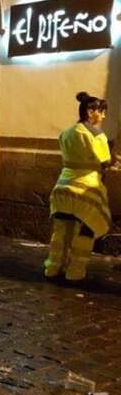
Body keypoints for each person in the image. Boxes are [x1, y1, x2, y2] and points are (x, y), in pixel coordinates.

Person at [45, 92, 113, 282]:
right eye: (102, 112)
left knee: (60, 232)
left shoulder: (66, 132)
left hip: (62, 189)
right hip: (85, 190)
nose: (104, 116)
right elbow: (104, 160)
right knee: (85, 232)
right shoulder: (96, 135)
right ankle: (75, 272)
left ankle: (52, 268)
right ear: (91, 111)